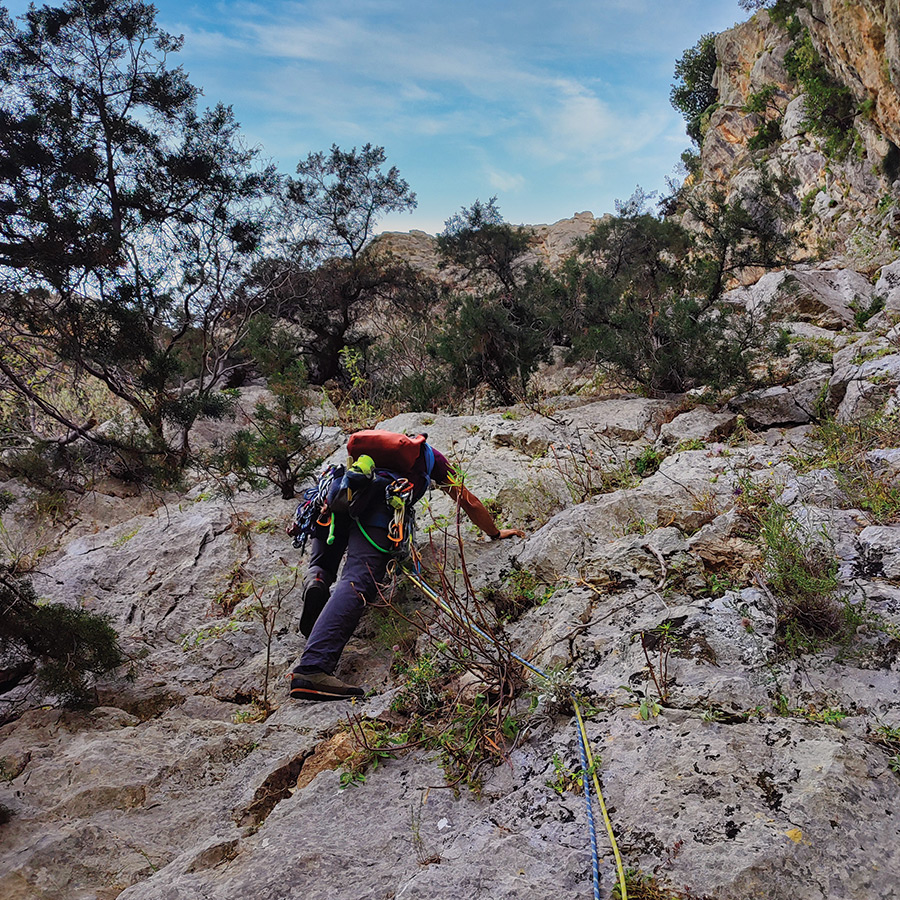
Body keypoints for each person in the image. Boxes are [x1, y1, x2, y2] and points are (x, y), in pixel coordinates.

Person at [290, 431, 523, 701]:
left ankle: (317, 580)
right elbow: (466, 500)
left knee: (325, 564)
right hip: (377, 512)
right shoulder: (430, 457)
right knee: (358, 581)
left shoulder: (370, 448)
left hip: (336, 501)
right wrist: (494, 533)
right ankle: (313, 668)